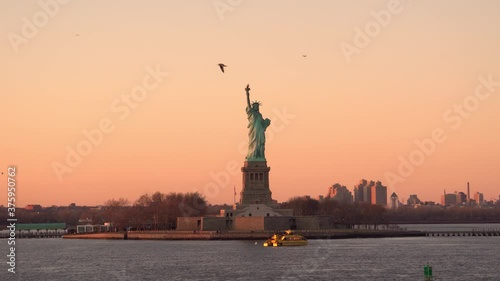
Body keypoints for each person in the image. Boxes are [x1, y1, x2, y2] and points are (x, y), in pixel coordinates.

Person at [245, 84, 271, 161]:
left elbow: (263, 124)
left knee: (261, 143)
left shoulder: (260, 115)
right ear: (253, 107)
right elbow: (248, 104)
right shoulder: (252, 113)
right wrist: (247, 93)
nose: (257, 107)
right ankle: (253, 155)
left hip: (260, 131)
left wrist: (267, 122)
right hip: (254, 132)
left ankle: (260, 156)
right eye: (255, 106)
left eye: (258, 106)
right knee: (254, 144)